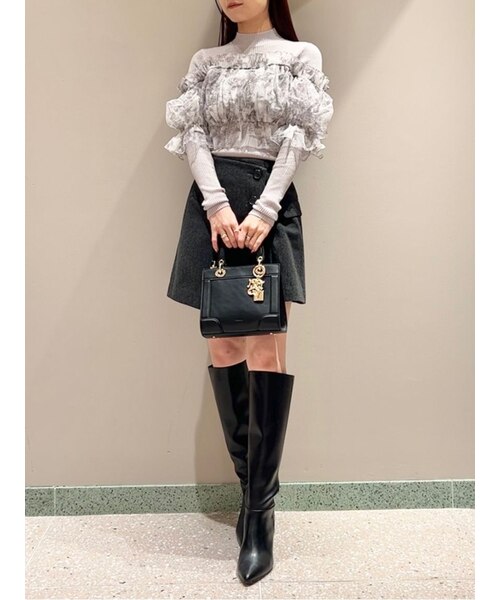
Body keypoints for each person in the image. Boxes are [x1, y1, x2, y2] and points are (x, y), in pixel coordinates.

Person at [163, 0, 334, 587]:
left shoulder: (300, 56)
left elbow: (298, 138)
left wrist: (263, 210)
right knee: (222, 347)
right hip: (211, 208)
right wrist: (216, 204)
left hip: (269, 205)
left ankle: (260, 517)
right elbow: (193, 134)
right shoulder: (206, 62)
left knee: (266, 348)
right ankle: (249, 491)